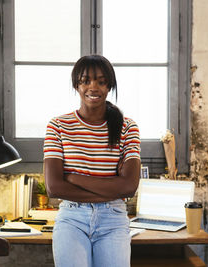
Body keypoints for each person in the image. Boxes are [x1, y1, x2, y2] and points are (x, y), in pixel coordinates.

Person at [43, 55, 141, 267]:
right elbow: (53, 188)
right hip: (72, 218)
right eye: (85, 80)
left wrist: (73, 178)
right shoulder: (58, 125)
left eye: (101, 81)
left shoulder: (128, 127)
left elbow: (129, 187)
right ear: (76, 85)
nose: (93, 87)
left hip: (113, 219)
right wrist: (108, 189)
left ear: (109, 86)